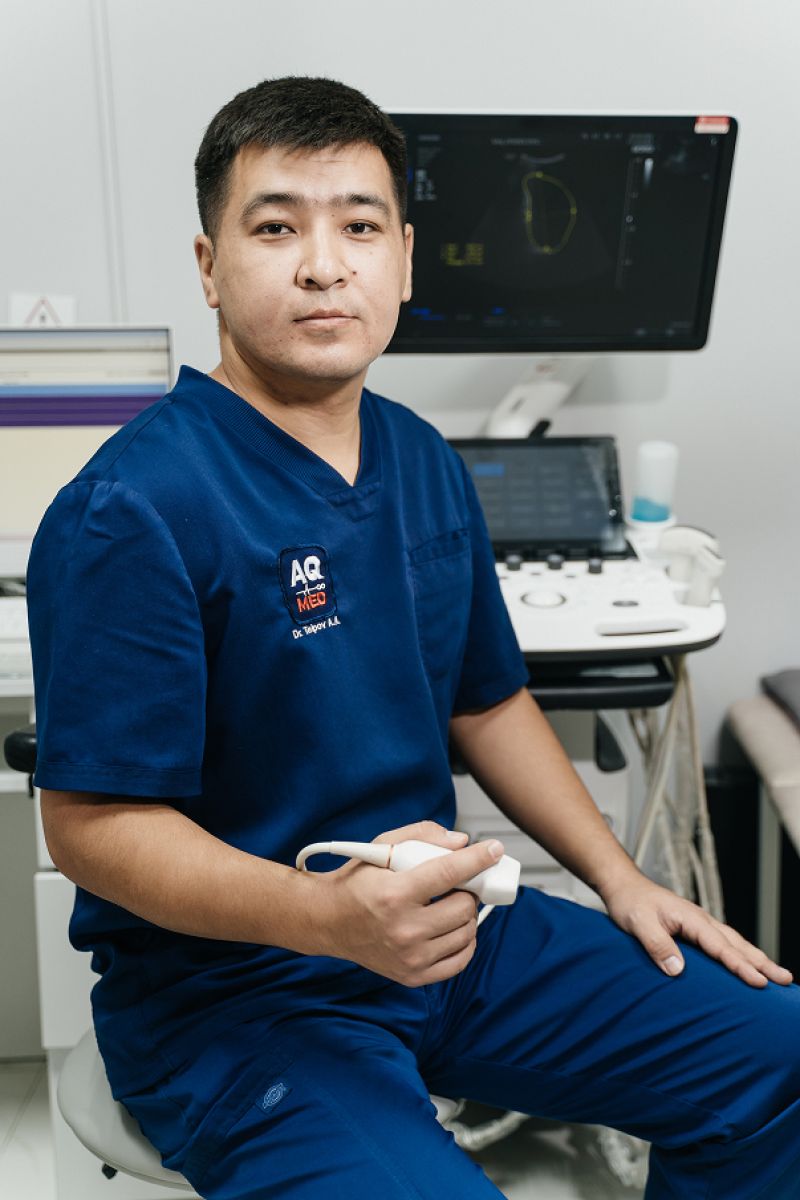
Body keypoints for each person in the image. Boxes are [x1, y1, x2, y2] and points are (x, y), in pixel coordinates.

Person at [27, 76, 800, 1199]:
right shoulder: (134, 508)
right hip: (233, 997)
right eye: (275, 227)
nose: (322, 265)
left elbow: (486, 700)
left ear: (403, 259)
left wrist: (619, 879)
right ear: (208, 265)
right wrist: (323, 918)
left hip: (445, 941)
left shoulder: (423, 459)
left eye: (359, 226)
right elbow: (92, 826)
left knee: (775, 1051)